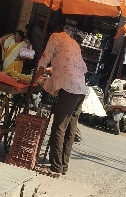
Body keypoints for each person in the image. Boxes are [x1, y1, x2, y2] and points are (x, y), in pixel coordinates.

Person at [35, 26, 88, 177]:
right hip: (81, 89)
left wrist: (35, 79)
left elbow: (44, 61)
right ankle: (63, 165)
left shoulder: (55, 37)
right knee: (70, 128)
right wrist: (49, 72)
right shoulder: (73, 43)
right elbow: (73, 67)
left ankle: (55, 167)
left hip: (70, 89)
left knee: (59, 127)